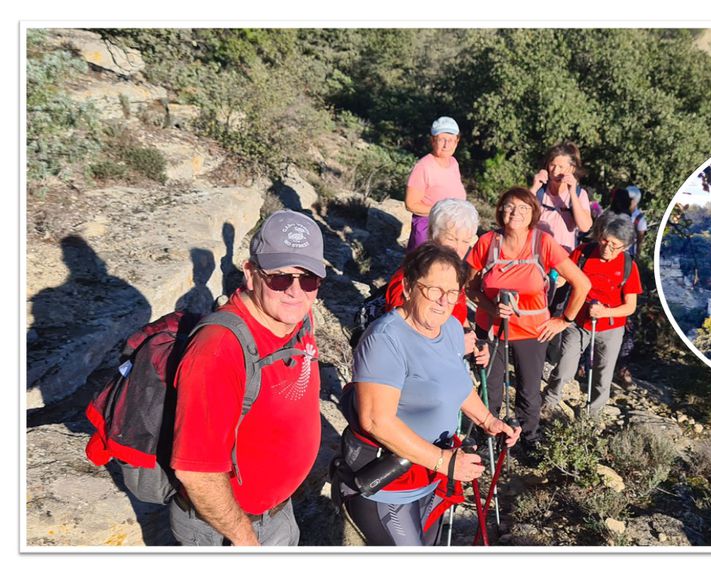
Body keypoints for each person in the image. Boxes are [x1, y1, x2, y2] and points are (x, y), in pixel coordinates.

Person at [336, 244, 520, 545]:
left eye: (452, 293)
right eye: (434, 289)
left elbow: (456, 385)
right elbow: (376, 421)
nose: (444, 301)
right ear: (408, 287)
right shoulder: (385, 339)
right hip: (388, 482)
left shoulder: (448, 328)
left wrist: (488, 421)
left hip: (430, 473)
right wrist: (446, 463)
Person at [170, 209, 326, 546]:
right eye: (281, 277)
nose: (296, 292)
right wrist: (247, 542)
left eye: (309, 279)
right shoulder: (218, 350)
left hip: (277, 512)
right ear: (251, 273)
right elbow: (196, 472)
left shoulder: (298, 318)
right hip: (225, 528)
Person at [465, 188, 591, 461]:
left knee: (529, 391)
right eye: (510, 207)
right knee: (491, 387)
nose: (515, 213)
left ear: (534, 213)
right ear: (500, 210)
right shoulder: (487, 242)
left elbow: (582, 283)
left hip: (534, 330)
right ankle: (488, 438)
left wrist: (564, 320)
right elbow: (470, 287)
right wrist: (490, 307)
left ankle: (529, 438)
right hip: (492, 329)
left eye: (523, 208)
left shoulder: (542, 243)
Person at [543, 213, 642, 418]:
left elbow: (630, 306)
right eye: (604, 240)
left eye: (615, 245)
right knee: (565, 366)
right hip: (577, 321)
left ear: (625, 246)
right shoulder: (582, 253)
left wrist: (605, 312)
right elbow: (564, 276)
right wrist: (554, 280)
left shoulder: (628, 266)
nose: (607, 247)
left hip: (611, 327)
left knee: (603, 374)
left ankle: (592, 415)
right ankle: (549, 401)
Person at [385, 198, 488, 366]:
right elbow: (399, 335)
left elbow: (458, 314)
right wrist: (455, 345)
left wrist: (474, 341)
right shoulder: (411, 275)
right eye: (452, 238)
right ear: (432, 232)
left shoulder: (453, 275)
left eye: (465, 241)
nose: (458, 248)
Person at [404, 116, 467, 252]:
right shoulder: (423, 167)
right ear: (432, 141)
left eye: (450, 140)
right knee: (423, 269)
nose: (446, 145)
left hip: (450, 229)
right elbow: (411, 204)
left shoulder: (453, 163)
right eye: (441, 139)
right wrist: (443, 210)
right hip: (428, 229)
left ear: (456, 142)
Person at [607, 185, 648, 385]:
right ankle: (621, 367)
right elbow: (639, 245)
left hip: (617, 269)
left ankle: (586, 364)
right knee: (626, 319)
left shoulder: (607, 215)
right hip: (625, 269)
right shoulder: (638, 219)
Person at [529, 141, 593, 253]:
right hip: (536, 256)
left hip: (564, 258)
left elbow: (585, 227)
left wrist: (572, 192)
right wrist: (534, 188)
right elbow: (518, 216)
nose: (555, 171)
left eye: (561, 167)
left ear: (572, 169)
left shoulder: (579, 194)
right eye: (552, 165)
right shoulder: (539, 191)